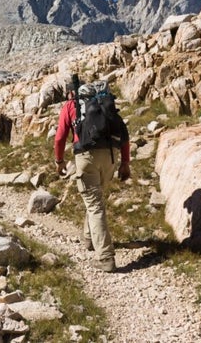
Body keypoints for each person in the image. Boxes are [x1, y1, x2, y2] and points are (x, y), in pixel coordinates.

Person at [53, 82, 130, 272]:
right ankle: (89, 239)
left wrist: (59, 161)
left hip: (86, 157)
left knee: (94, 205)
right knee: (95, 198)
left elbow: (60, 136)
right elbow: (124, 136)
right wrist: (125, 163)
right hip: (111, 156)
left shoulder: (71, 106)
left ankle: (105, 258)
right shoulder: (105, 105)